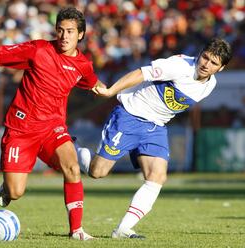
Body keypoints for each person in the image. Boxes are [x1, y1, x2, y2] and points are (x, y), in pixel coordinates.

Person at [0, 7, 105, 240]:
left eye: (70, 31)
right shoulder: (38, 50)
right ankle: (7, 187)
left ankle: (76, 230)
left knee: (72, 167)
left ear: (81, 35)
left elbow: (97, 86)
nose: (64, 36)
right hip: (20, 130)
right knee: (16, 193)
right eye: (60, 30)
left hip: (52, 128)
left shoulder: (83, 66)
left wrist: (121, 91)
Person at [76, 38, 232, 239]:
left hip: (156, 126)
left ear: (221, 68)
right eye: (205, 57)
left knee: (157, 176)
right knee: (97, 172)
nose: (206, 64)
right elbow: (141, 73)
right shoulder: (179, 66)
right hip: (129, 116)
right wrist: (111, 90)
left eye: (213, 63)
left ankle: (123, 229)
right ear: (200, 53)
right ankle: (71, 146)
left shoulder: (210, 85)